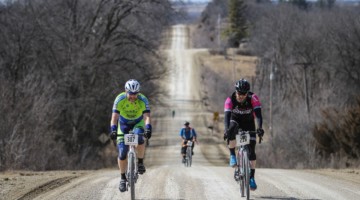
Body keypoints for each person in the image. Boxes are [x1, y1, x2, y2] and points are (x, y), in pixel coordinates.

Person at [109, 79, 152, 192]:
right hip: (123, 125)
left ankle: (141, 162)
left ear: (138, 93)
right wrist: (113, 130)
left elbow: (147, 116)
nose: (133, 96)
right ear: (126, 91)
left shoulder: (143, 99)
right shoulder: (120, 99)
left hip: (137, 123)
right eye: (131, 94)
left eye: (135, 94)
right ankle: (123, 178)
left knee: (140, 138)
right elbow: (114, 118)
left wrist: (148, 128)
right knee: (122, 153)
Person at [223, 78, 264, 191]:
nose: (241, 96)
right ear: (236, 91)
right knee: (231, 129)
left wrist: (260, 128)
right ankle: (232, 155)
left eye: (243, 94)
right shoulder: (230, 100)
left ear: (247, 93)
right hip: (235, 120)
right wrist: (226, 130)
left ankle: (251, 177)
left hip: (249, 123)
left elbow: (259, 115)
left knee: (251, 151)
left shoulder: (253, 98)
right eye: (239, 93)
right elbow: (226, 117)